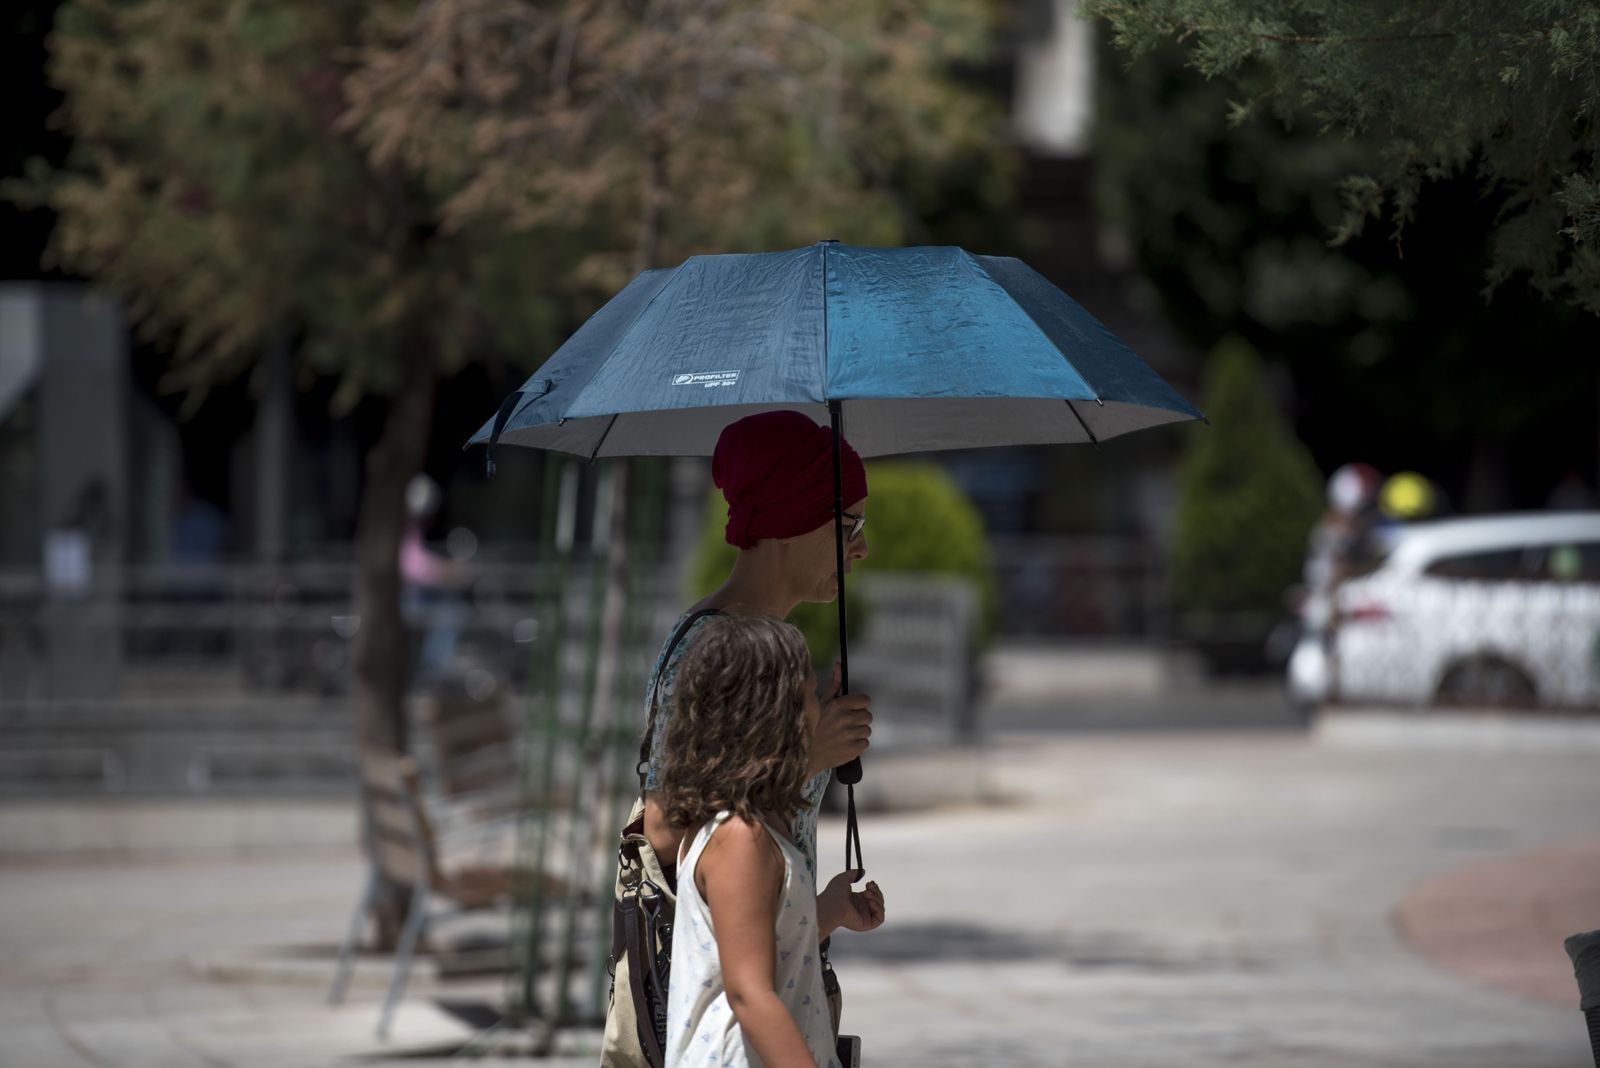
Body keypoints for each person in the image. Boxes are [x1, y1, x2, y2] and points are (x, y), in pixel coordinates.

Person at [603, 410, 873, 1068]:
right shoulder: (710, 650)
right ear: (791, 520)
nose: (862, 548)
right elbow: (673, 831)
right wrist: (809, 755)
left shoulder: (765, 648)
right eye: (848, 527)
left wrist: (824, 912)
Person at [660, 615, 885, 1068]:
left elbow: (756, 948)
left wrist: (828, 911)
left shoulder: (746, 825)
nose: (817, 710)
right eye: (807, 694)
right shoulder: (740, 837)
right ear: (772, 712)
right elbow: (750, 994)